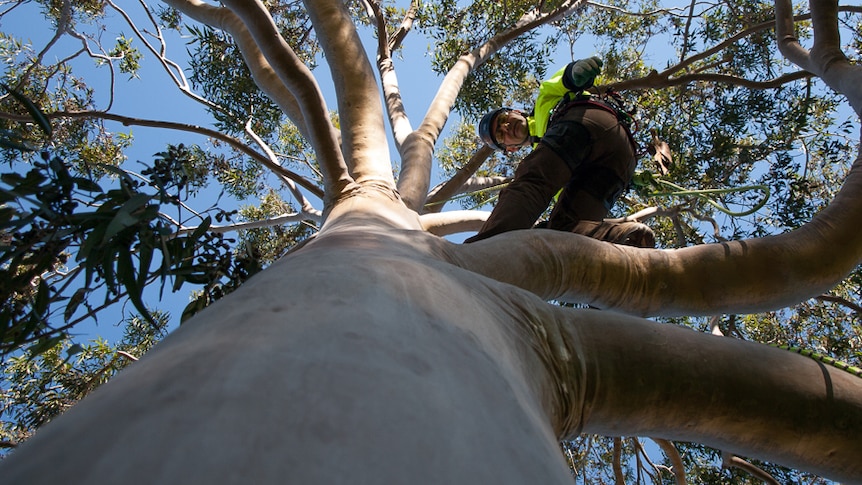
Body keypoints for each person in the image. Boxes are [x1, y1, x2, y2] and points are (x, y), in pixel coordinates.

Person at [464, 57, 655, 248]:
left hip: (587, 120)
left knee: (531, 183)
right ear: (510, 149)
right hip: (622, 159)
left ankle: (484, 249)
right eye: (500, 134)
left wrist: (575, 73)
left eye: (504, 118)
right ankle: (621, 237)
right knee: (562, 233)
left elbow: (560, 82)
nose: (506, 126)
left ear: (516, 111)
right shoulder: (543, 155)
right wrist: (633, 180)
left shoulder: (543, 103)